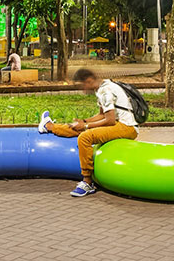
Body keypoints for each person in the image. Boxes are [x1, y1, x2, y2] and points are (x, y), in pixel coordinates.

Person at [37, 68, 139, 197]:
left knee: (85, 137)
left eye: (82, 86)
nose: (83, 90)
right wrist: (84, 122)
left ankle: (87, 182)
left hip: (127, 127)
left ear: (89, 81)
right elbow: (102, 115)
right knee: (78, 128)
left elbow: (110, 120)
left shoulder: (105, 91)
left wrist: (85, 126)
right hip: (118, 124)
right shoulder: (102, 87)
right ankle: (49, 126)